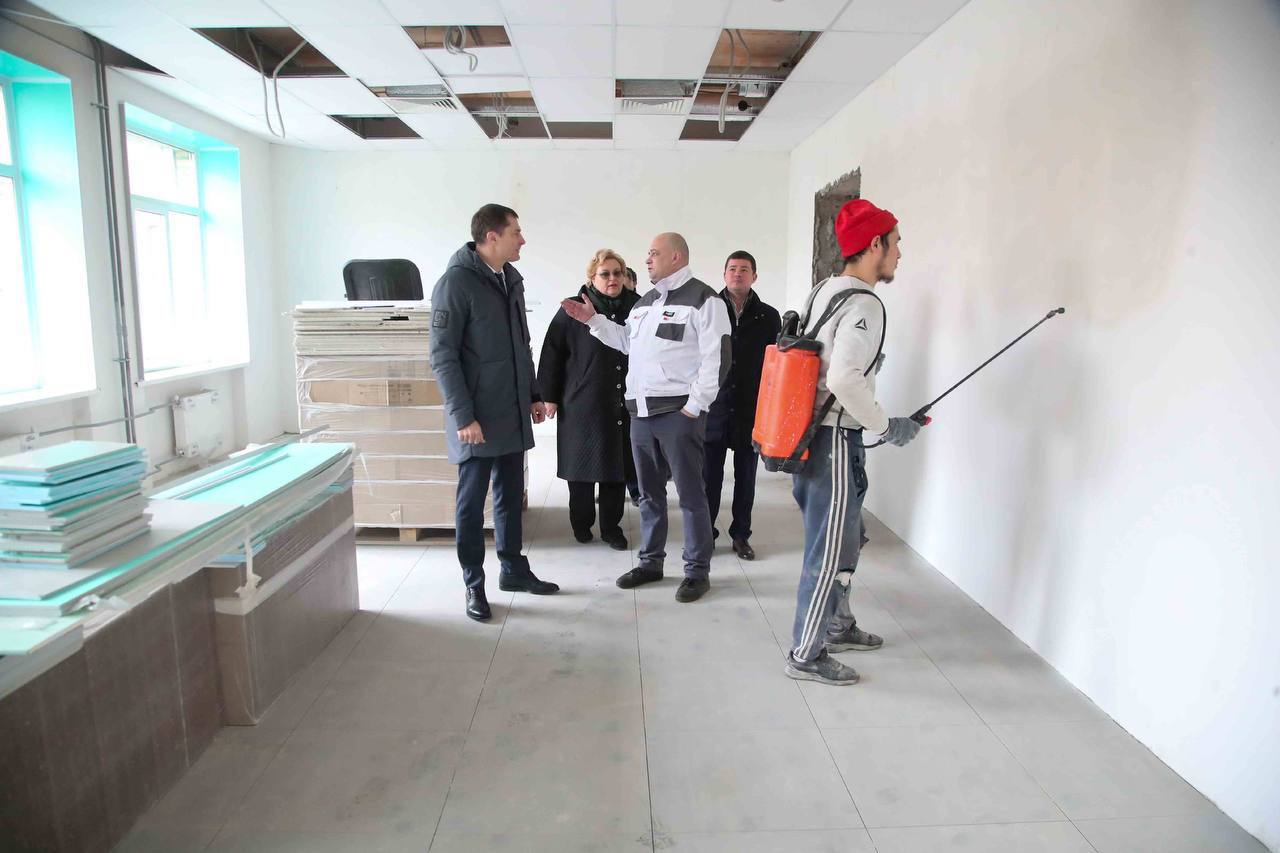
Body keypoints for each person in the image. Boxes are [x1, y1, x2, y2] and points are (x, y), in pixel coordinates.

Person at [783, 199, 924, 685]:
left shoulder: (824, 290)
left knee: (848, 536)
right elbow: (843, 378)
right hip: (833, 440)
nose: (900, 252)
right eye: (896, 242)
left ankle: (838, 625)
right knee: (827, 550)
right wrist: (888, 427)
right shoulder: (864, 302)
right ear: (875, 244)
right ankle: (806, 654)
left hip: (809, 437)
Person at [560, 233, 731, 603]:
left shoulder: (705, 300)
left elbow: (718, 358)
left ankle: (696, 570)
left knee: (690, 494)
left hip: (678, 414)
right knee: (649, 495)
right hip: (640, 414)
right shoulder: (645, 303)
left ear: (677, 256)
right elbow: (627, 343)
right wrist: (594, 321)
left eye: (654, 253)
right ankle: (651, 563)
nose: (648, 259)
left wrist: (695, 406)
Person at [429, 203, 559, 622]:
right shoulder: (455, 283)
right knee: (471, 505)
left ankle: (513, 570)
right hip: (477, 419)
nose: (523, 239)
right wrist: (463, 417)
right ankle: (473, 583)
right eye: (516, 232)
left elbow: (522, 345)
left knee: (509, 495)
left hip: (511, 410)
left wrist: (534, 394)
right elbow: (443, 356)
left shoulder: (510, 279)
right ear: (492, 237)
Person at [537, 249, 639, 550]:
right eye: (605, 274)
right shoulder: (574, 309)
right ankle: (581, 523)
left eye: (617, 273)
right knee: (580, 469)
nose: (612, 278)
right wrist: (549, 397)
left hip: (621, 402)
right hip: (581, 401)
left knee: (616, 470)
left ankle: (611, 528)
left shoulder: (637, 306)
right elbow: (552, 353)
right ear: (592, 278)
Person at [703, 250, 781, 561]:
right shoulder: (708, 310)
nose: (738, 273)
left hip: (752, 409)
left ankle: (741, 535)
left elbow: (776, 365)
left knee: (746, 477)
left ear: (754, 276)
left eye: (744, 269)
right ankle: (705, 532)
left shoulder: (769, 316)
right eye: (732, 269)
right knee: (709, 477)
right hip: (714, 406)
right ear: (724, 275)